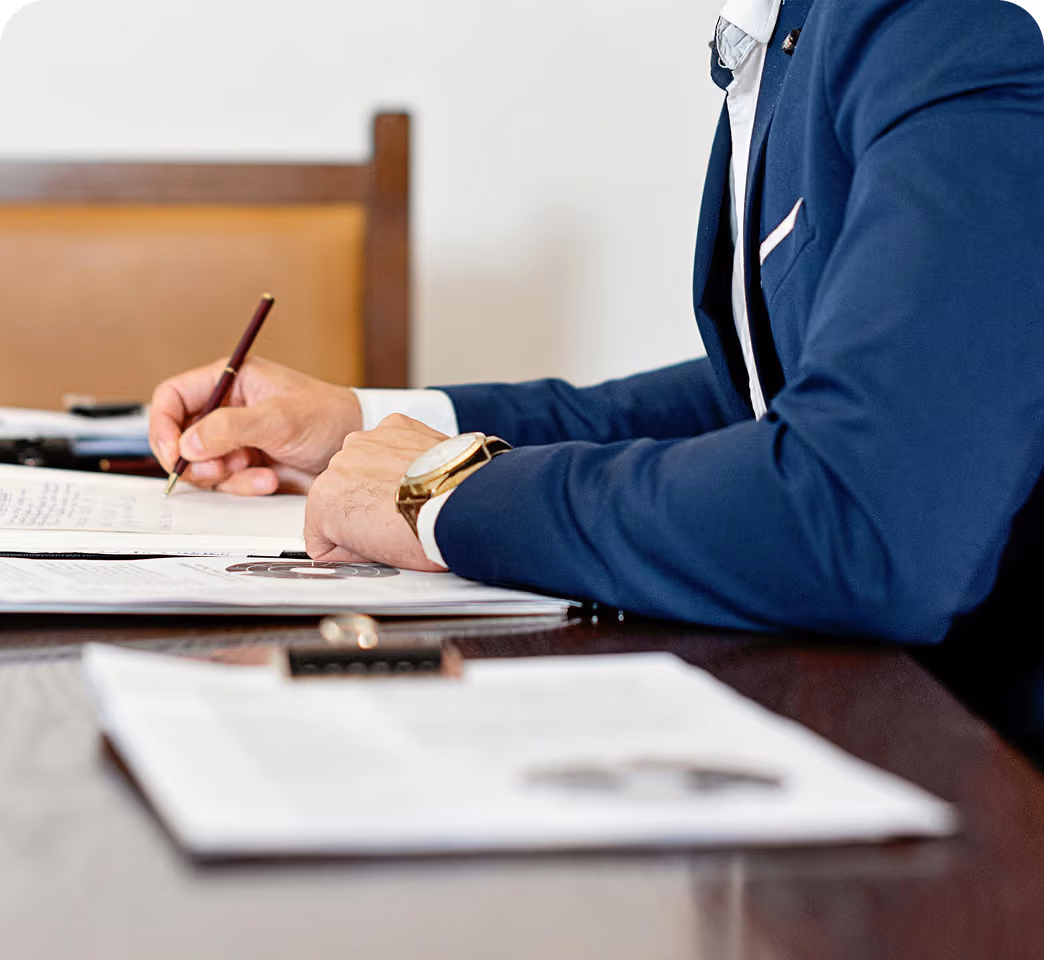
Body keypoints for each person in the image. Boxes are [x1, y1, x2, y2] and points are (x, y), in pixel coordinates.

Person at [151, 0, 1044, 754]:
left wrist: (441, 490)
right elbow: (762, 396)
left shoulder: (948, 22)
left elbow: (863, 509)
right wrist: (361, 425)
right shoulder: (793, 29)